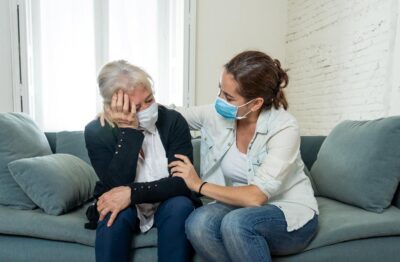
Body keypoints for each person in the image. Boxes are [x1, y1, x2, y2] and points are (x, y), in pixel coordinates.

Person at [168, 50, 319, 261]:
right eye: (220, 90)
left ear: (256, 103)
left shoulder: (284, 127)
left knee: (237, 223)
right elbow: (171, 115)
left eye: (229, 97)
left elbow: (256, 196)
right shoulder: (216, 115)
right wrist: (133, 105)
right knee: (198, 223)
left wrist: (199, 185)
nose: (220, 100)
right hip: (239, 207)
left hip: (287, 213)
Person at [85, 60, 200, 262]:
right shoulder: (97, 132)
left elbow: (182, 182)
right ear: (114, 106)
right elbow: (114, 186)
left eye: (149, 99)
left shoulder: (173, 121)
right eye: (137, 106)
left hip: (168, 200)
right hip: (125, 206)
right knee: (113, 214)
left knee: (180, 206)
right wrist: (128, 131)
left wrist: (133, 193)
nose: (148, 108)